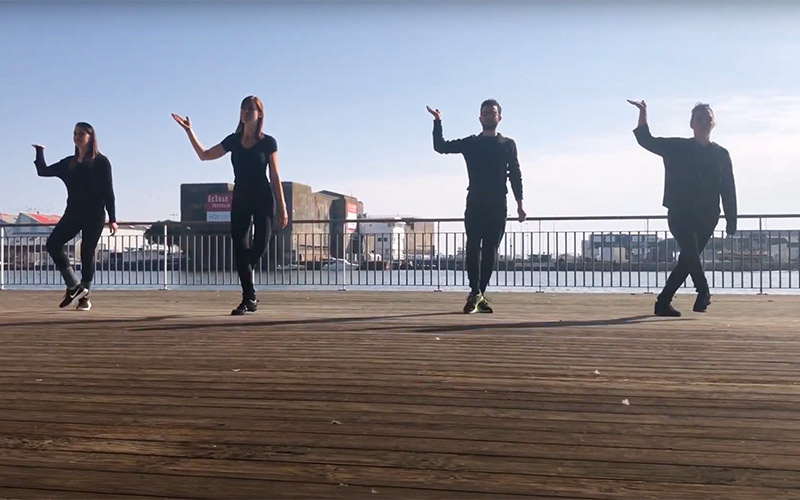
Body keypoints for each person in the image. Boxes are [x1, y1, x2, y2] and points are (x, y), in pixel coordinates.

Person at [172, 96, 288, 315]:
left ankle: (246, 276)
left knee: (260, 245)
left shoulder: (268, 142)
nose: (245, 112)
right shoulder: (233, 141)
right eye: (242, 108)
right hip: (241, 198)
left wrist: (282, 207)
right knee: (240, 248)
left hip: (263, 198)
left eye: (250, 109)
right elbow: (204, 156)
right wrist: (189, 131)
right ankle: (248, 298)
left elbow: (274, 175)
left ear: (259, 114)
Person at [628, 99, 737, 316]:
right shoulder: (677, 147)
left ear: (713, 124)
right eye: (700, 119)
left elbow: (728, 188)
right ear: (692, 124)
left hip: (707, 217)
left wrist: (731, 220)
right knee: (691, 255)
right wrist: (643, 112)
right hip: (680, 213)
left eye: (708, 119)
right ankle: (703, 291)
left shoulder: (721, 154)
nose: (704, 122)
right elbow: (646, 140)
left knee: (688, 260)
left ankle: (662, 303)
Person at [427, 99, 526, 314]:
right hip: (475, 202)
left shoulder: (508, 144)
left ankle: (479, 293)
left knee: (490, 250)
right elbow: (440, 146)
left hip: (498, 203)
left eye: (492, 113)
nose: (489, 116)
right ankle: (475, 292)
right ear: (479, 118)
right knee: (472, 247)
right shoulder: (471, 143)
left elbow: (515, 175)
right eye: (485, 113)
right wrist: (438, 121)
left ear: (499, 117)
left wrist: (520, 205)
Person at [33, 122, 118, 311]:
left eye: (81, 133)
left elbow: (108, 191)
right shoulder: (68, 163)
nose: (77, 136)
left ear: (90, 137)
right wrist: (39, 152)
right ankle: (73, 285)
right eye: (75, 133)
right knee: (53, 244)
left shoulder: (101, 162)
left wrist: (113, 218)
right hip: (73, 213)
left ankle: (84, 299)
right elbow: (43, 171)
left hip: (95, 214)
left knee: (87, 253)